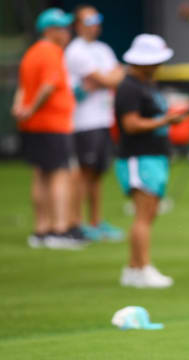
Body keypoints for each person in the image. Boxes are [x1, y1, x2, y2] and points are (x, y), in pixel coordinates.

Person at [115, 34, 187, 288]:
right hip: (138, 157)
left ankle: (134, 269)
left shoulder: (147, 84)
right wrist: (166, 121)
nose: (158, 65)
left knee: (149, 213)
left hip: (154, 157)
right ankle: (142, 268)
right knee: (143, 215)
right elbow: (131, 124)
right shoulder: (129, 87)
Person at [12, 8, 86, 249]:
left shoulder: (31, 53)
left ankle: (41, 230)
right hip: (53, 123)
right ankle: (59, 229)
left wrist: (21, 110)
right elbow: (47, 86)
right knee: (59, 174)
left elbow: (22, 88)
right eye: (61, 28)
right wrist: (32, 108)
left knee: (41, 174)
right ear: (49, 31)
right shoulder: (52, 52)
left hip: (34, 125)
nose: (66, 32)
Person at [65, 4, 125, 241]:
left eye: (96, 20)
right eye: (89, 22)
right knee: (84, 173)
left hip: (102, 119)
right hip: (84, 122)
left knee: (98, 173)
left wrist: (103, 79)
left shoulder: (103, 48)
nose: (95, 26)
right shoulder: (76, 51)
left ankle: (95, 221)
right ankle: (77, 222)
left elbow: (116, 76)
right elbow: (107, 77)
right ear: (78, 25)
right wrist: (105, 78)